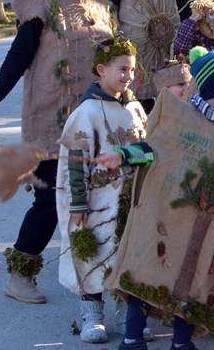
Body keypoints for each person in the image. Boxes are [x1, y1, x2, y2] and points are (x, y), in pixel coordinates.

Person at [0, 0, 119, 304]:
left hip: (95, 121)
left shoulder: (104, 7)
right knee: (51, 200)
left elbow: (116, 63)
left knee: (97, 199)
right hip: (51, 120)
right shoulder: (44, 1)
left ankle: (94, 275)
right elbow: (20, 54)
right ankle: (19, 274)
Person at [102, 48, 214, 350]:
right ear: (212, 82)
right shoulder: (177, 116)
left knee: (191, 280)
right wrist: (122, 155)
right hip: (162, 215)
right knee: (146, 273)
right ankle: (132, 339)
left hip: (201, 226)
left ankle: (181, 343)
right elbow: (152, 150)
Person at [55, 36, 147, 344]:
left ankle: (125, 307)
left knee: (126, 253)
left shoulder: (135, 108)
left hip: (130, 199)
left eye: (132, 70)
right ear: (101, 70)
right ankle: (91, 311)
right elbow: (75, 160)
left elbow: (147, 148)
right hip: (97, 200)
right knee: (94, 253)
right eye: (121, 69)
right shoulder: (87, 112)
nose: (128, 76)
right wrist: (78, 204)